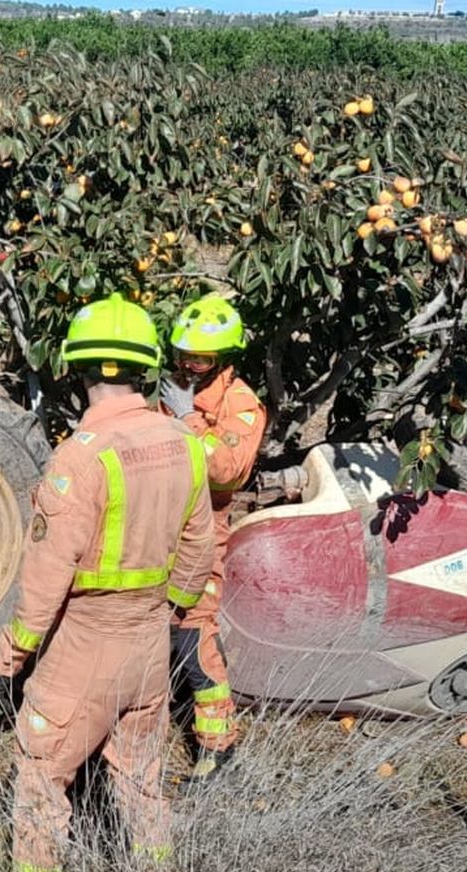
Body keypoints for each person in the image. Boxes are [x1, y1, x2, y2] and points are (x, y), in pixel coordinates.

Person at [0, 294, 215, 872]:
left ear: (77, 366)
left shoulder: (81, 457)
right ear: (146, 368)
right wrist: (168, 610)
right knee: (142, 781)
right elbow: (200, 549)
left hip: (84, 644)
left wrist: (14, 652)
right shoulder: (185, 443)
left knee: (42, 778)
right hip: (150, 643)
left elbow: (48, 571)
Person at [158, 294, 267, 786]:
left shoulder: (239, 404)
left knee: (193, 636)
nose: (188, 366)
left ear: (223, 359)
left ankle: (217, 746)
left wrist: (186, 419)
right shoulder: (172, 390)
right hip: (156, 525)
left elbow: (226, 471)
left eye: (199, 359)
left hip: (201, 532)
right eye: (183, 355)